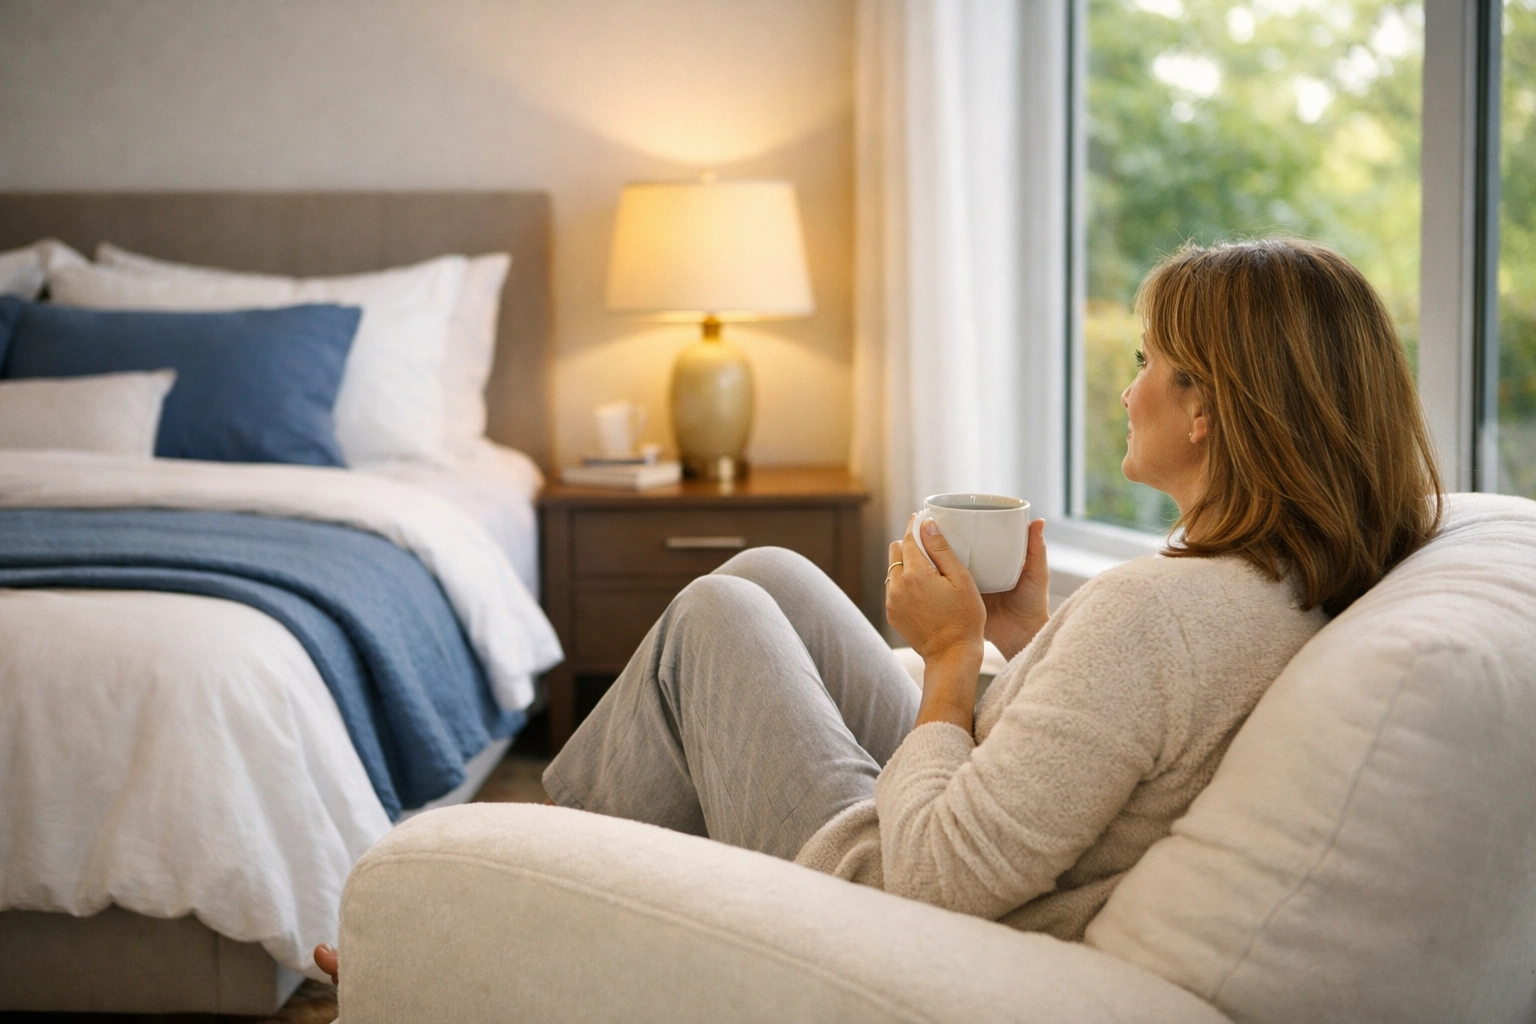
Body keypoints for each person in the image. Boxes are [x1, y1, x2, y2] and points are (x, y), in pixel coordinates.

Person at [315, 237, 1442, 980]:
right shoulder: (1276, 581)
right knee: (769, 573)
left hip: (895, 895)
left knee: (714, 620)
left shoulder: (1158, 611)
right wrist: (1019, 642)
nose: (1125, 385)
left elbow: (944, 877)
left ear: (1207, 410)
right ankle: (556, 910)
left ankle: (483, 934)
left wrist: (949, 662)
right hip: (973, 834)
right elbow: (1112, 745)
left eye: (1150, 361)